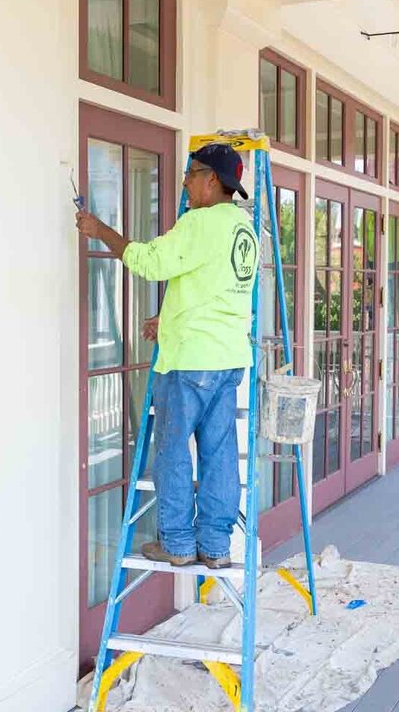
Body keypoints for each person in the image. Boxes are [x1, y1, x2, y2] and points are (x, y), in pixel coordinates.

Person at [75, 143, 258, 570]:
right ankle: (214, 546)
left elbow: (151, 262)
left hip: (191, 361)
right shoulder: (243, 227)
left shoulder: (201, 223)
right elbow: (210, 288)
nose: (185, 182)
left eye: (191, 173)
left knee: (173, 450)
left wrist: (101, 230)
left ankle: (176, 541)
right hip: (227, 357)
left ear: (212, 180)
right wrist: (169, 317)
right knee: (219, 452)